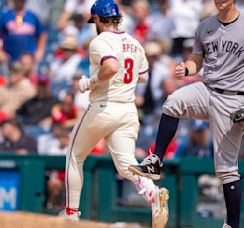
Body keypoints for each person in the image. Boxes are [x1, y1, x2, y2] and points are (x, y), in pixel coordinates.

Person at [129, 0, 244, 227]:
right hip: (206, 88)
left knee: (226, 169)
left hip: (233, 97)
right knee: (173, 102)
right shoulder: (205, 26)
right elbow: (197, 59)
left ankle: (232, 225)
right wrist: (187, 68)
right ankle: (156, 160)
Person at [57, 1, 169, 227]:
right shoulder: (135, 43)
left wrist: (91, 82)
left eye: (95, 20)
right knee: (127, 164)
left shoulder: (100, 40)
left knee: (74, 156)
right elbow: (144, 76)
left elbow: (112, 67)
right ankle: (152, 193)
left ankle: (71, 213)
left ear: (98, 19)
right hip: (128, 110)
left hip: (104, 107)